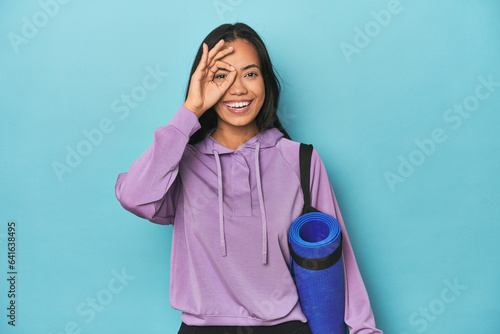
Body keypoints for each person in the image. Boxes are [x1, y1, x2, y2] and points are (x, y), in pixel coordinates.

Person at [115, 22, 382, 334]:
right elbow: (134, 196)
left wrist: (364, 329)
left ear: (265, 80)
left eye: (250, 73)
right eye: (221, 75)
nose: (238, 88)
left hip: (286, 327)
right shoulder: (180, 162)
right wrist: (189, 110)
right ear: (202, 84)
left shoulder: (300, 160)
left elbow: (337, 258)